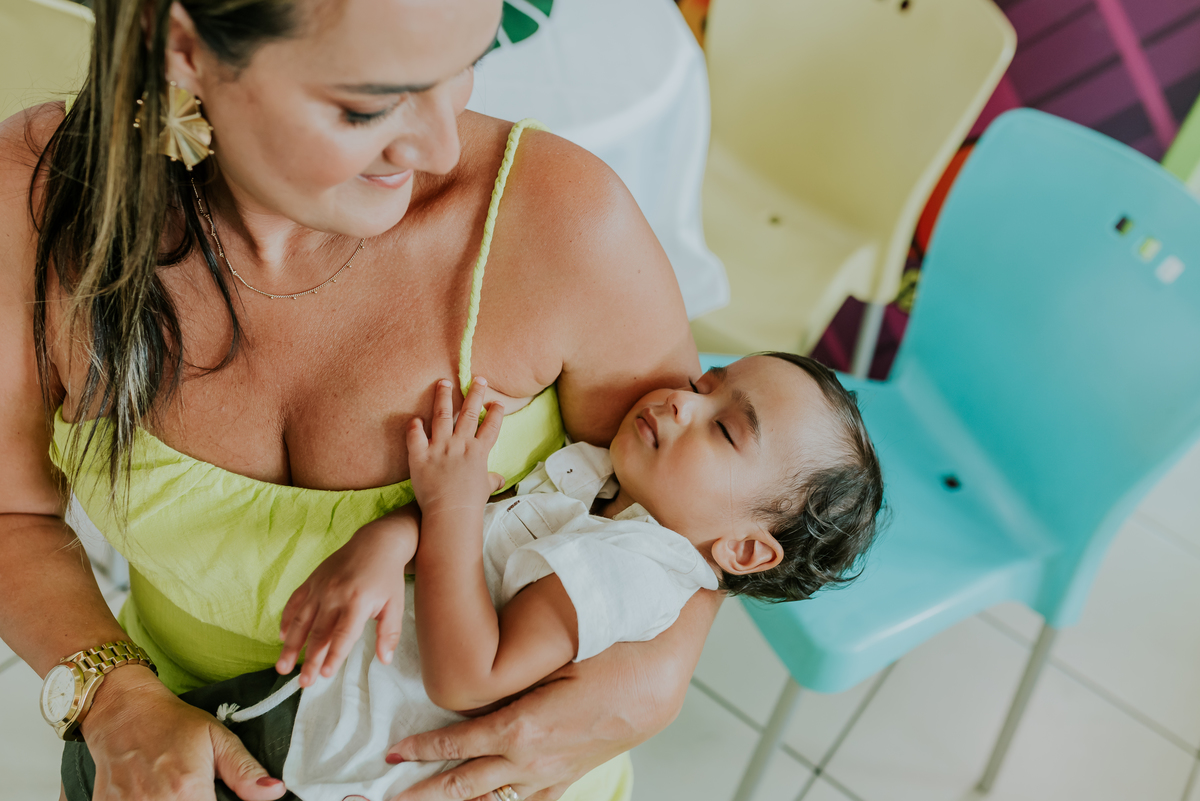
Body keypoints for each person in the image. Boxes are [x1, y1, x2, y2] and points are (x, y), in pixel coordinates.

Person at [0, 0, 714, 799]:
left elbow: (698, 513)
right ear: (182, 48)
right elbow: (11, 513)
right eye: (370, 105)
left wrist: (655, 678)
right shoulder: (30, 201)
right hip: (176, 755)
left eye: (465, 63)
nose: (441, 144)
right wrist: (114, 696)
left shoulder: (564, 224)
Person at [60, 353, 885, 801]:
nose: (679, 400)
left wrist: (447, 498)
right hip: (315, 714)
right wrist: (395, 535)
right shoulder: (609, 484)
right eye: (708, 383)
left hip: (346, 764)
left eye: (724, 428)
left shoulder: (634, 573)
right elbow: (492, 536)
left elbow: (469, 673)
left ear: (744, 551)